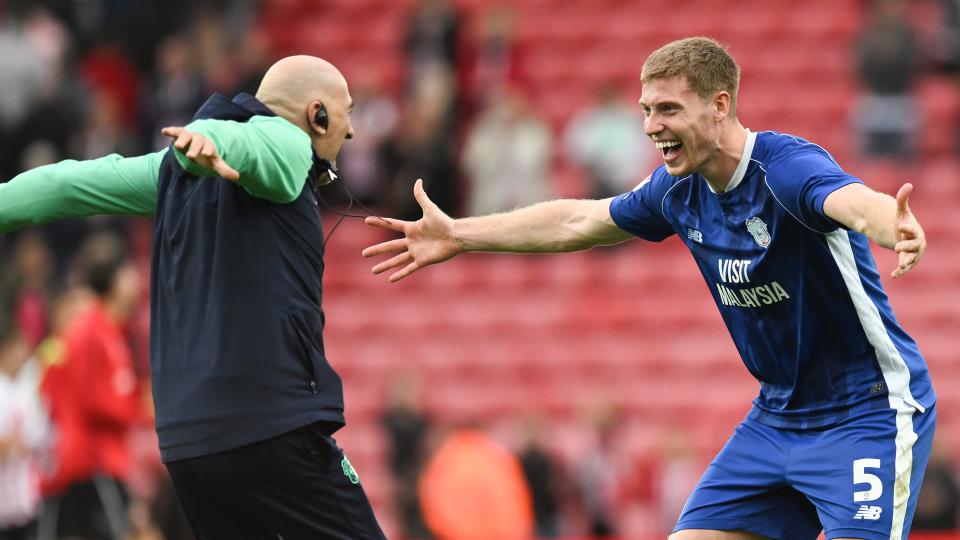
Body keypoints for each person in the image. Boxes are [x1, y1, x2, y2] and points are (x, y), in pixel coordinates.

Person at [363, 37, 935, 540]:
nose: (651, 125)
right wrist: (461, 234)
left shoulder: (784, 170)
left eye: (668, 109)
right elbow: (579, 221)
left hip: (869, 412)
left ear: (720, 105)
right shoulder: (676, 191)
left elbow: (847, 200)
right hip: (778, 416)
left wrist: (893, 223)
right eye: (645, 110)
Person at [0, 55, 386, 539]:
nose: (350, 132)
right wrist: (209, 139)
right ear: (317, 113)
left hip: (192, 451)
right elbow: (252, 142)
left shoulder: (171, 172)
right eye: (347, 111)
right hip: (272, 431)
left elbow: (68, 185)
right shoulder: (288, 144)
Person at [39, 235, 143, 540]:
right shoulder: (92, 330)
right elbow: (91, 400)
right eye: (128, 270)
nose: (136, 278)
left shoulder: (107, 327)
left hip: (104, 461)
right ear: (114, 279)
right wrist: (137, 407)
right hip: (94, 463)